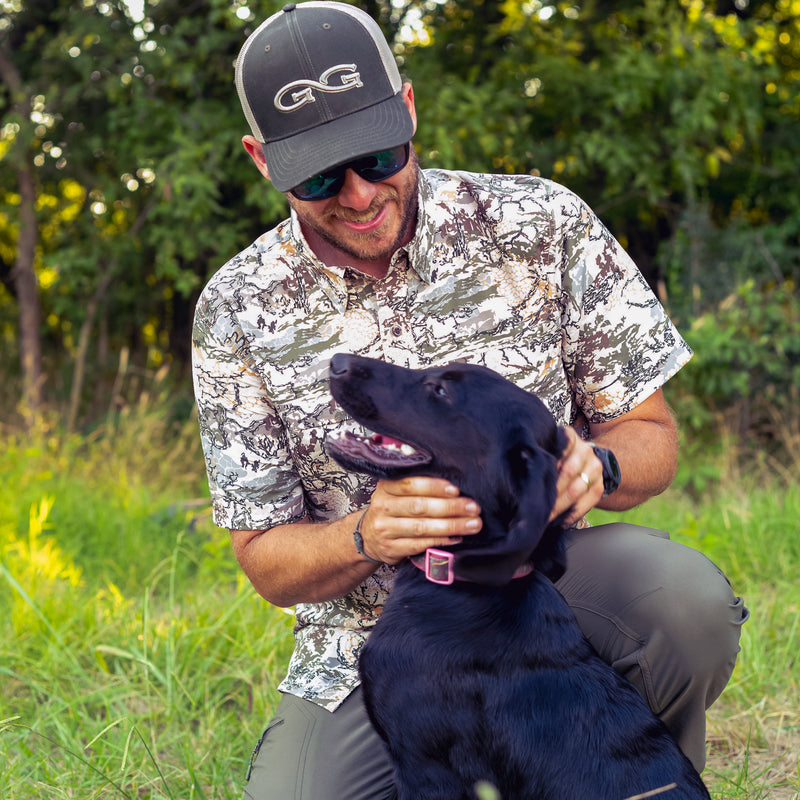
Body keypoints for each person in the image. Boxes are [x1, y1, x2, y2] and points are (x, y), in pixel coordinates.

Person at [192, 3, 748, 798]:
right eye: (318, 176)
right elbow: (266, 559)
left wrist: (601, 464)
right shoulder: (235, 308)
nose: (357, 195)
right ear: (260, 160)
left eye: (379, 156)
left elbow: (650, 430)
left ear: (409, 111)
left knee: (683, 605)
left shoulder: (538, 223)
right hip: (370, 634)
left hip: (538, 585)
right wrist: (364, 534)